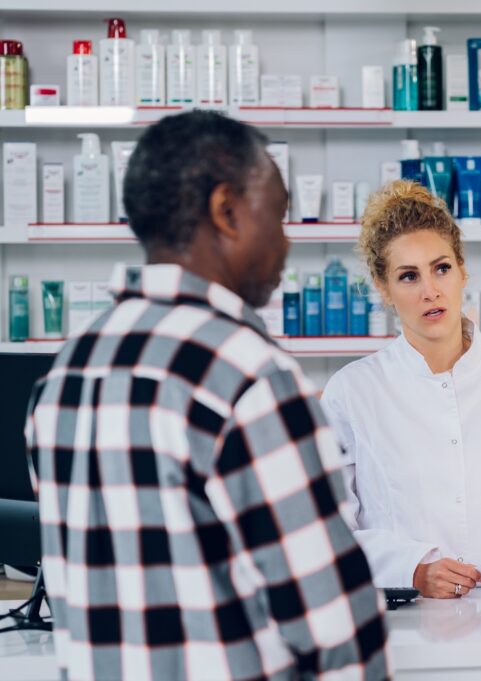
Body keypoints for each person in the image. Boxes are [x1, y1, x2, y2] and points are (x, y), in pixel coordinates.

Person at [25, 111, 389, 680]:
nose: (286, 242)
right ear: (226, 210)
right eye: (279, 215)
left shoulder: (66, 374)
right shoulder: (249, 376)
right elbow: (337, 637)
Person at [320, 181, 481, 599]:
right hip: (404, 617)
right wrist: (413, 569)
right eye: (408, 276)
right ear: (383, 289)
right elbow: (328, 531)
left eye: (441, 268)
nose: (430, 291)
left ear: (462, 270)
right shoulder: (351, 391)